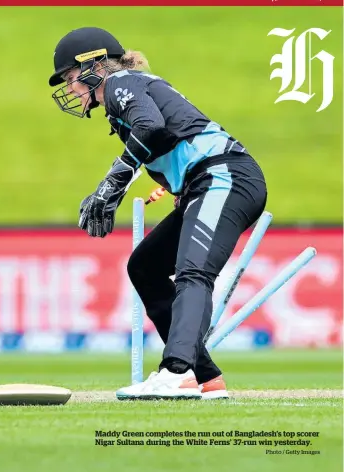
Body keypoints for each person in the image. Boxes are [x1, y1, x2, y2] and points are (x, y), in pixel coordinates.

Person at [49, 27, 267, 400]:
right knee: (145, 267)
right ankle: (203, 375)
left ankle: (177, 371)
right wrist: (137, 185)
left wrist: (110, 184)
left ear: (96, 65)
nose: (70, 88)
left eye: (71, 78)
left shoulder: (119, 82)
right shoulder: (125, 93)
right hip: (206, 182)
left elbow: (152, 127)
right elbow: (167, 136)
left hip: (224, 177)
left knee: (193, 272)